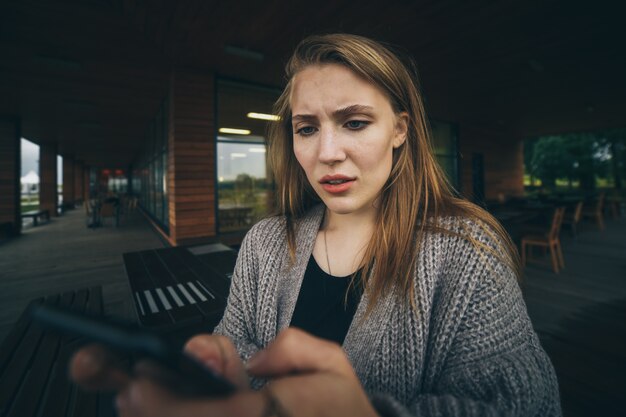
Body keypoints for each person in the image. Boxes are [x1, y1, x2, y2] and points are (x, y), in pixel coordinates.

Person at [70, 33, 561, 416]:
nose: (326, 153)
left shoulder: (465, 250)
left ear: (401, 130)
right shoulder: (264, 243)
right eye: (307, 128)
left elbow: (526, 406)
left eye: (354, 122)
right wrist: (219, 369)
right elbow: (236, 340)